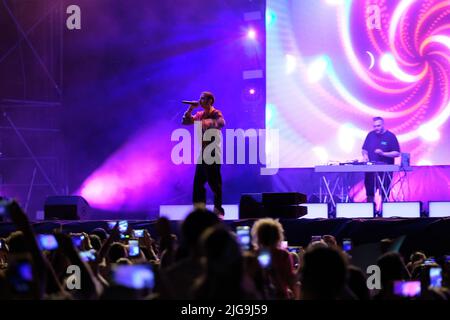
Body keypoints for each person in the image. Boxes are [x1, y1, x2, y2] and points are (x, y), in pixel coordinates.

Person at [182, 91, 225, 217]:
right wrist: (190, 109)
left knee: (214, 183)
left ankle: (218, 210)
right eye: (200, 99)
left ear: (210, 100)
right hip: (203, 153)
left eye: (203, 99)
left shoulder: (215, 112)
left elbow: (222, 123)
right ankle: (199, 210)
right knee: (198, 184)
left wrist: (204, 123)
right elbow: (185, 122)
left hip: (213, 153)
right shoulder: (200, 114)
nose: (200, 101)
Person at [361, 117, 400, 203]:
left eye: (378, 126)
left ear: (383, 125)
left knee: (384, 192)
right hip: (370, 169)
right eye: (374, 126)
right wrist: (365, 156)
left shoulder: (390, 136)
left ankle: (384, 212)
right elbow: (364, 149)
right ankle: (370, 212)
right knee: (370, 192)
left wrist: (383, 153)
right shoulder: (370, 135)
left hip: (385, 169)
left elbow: (397, 153)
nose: (376, 128)